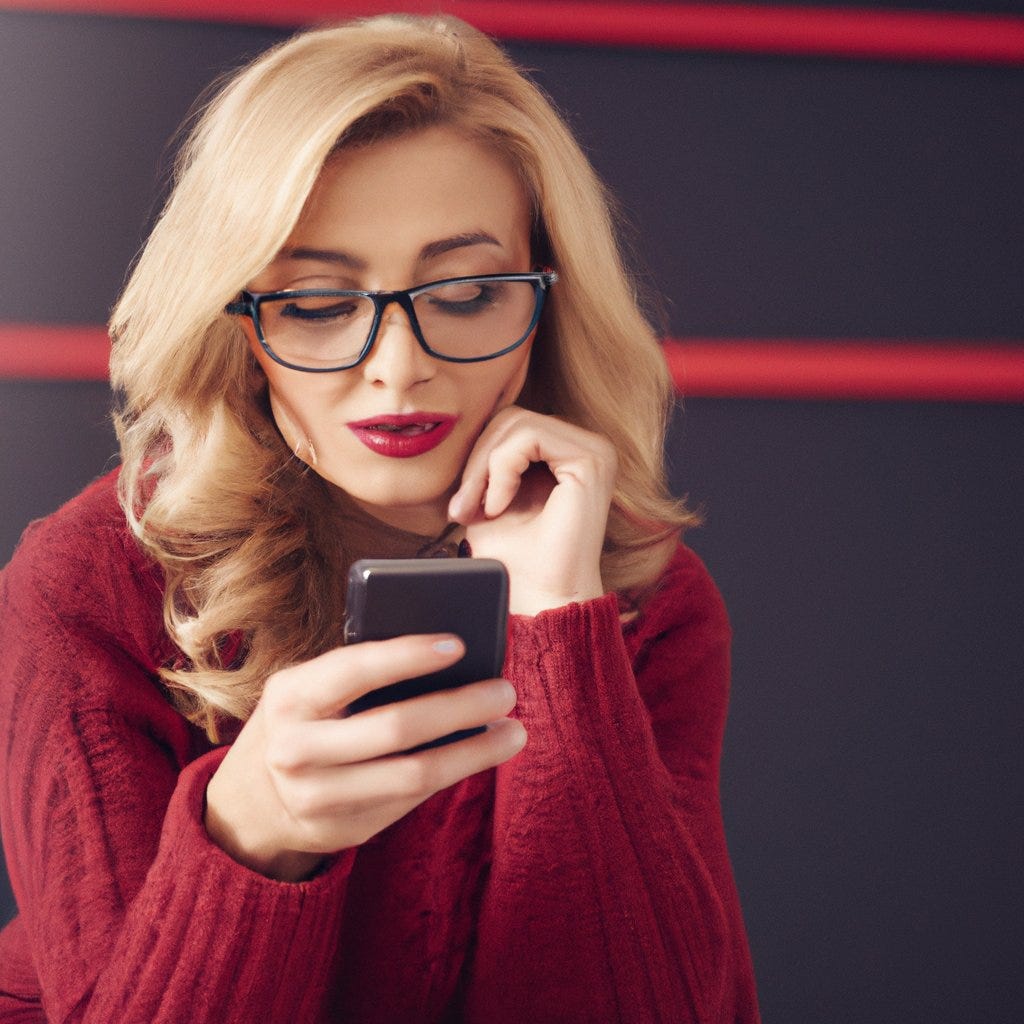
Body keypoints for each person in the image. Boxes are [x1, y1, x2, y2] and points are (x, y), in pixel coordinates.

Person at [0, 13, 759, 1023]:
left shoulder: (640, 596)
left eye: (471, 291)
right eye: (316, 304)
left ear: (547, 304)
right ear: (239, 330)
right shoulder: (87, 588)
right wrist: (252, 833)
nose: (400, 366)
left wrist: (559, 633)